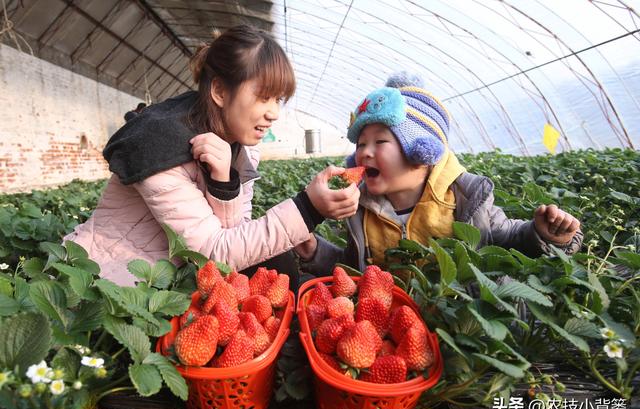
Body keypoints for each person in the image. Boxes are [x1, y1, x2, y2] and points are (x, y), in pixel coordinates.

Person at [64, 25, 360, 286]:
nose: (274, 113)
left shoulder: (238, 145)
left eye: (278, 99)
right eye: (263, 96)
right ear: (219, 90)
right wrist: (309, 209)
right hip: (111, 280)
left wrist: (224, 182)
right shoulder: (159, 143)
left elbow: (233, 235)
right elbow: (214, 254)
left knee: (276, 262)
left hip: (178, 272)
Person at [295, 72, 583, 276]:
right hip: (388, 336)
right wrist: (314, 250)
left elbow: (509, 240)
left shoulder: (466, 199)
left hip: (452, 328)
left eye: (380, 141)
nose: (364, 153)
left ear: (421, 151)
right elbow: (354, 270)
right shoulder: (361, 209)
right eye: (360, 144)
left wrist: (544, 235)